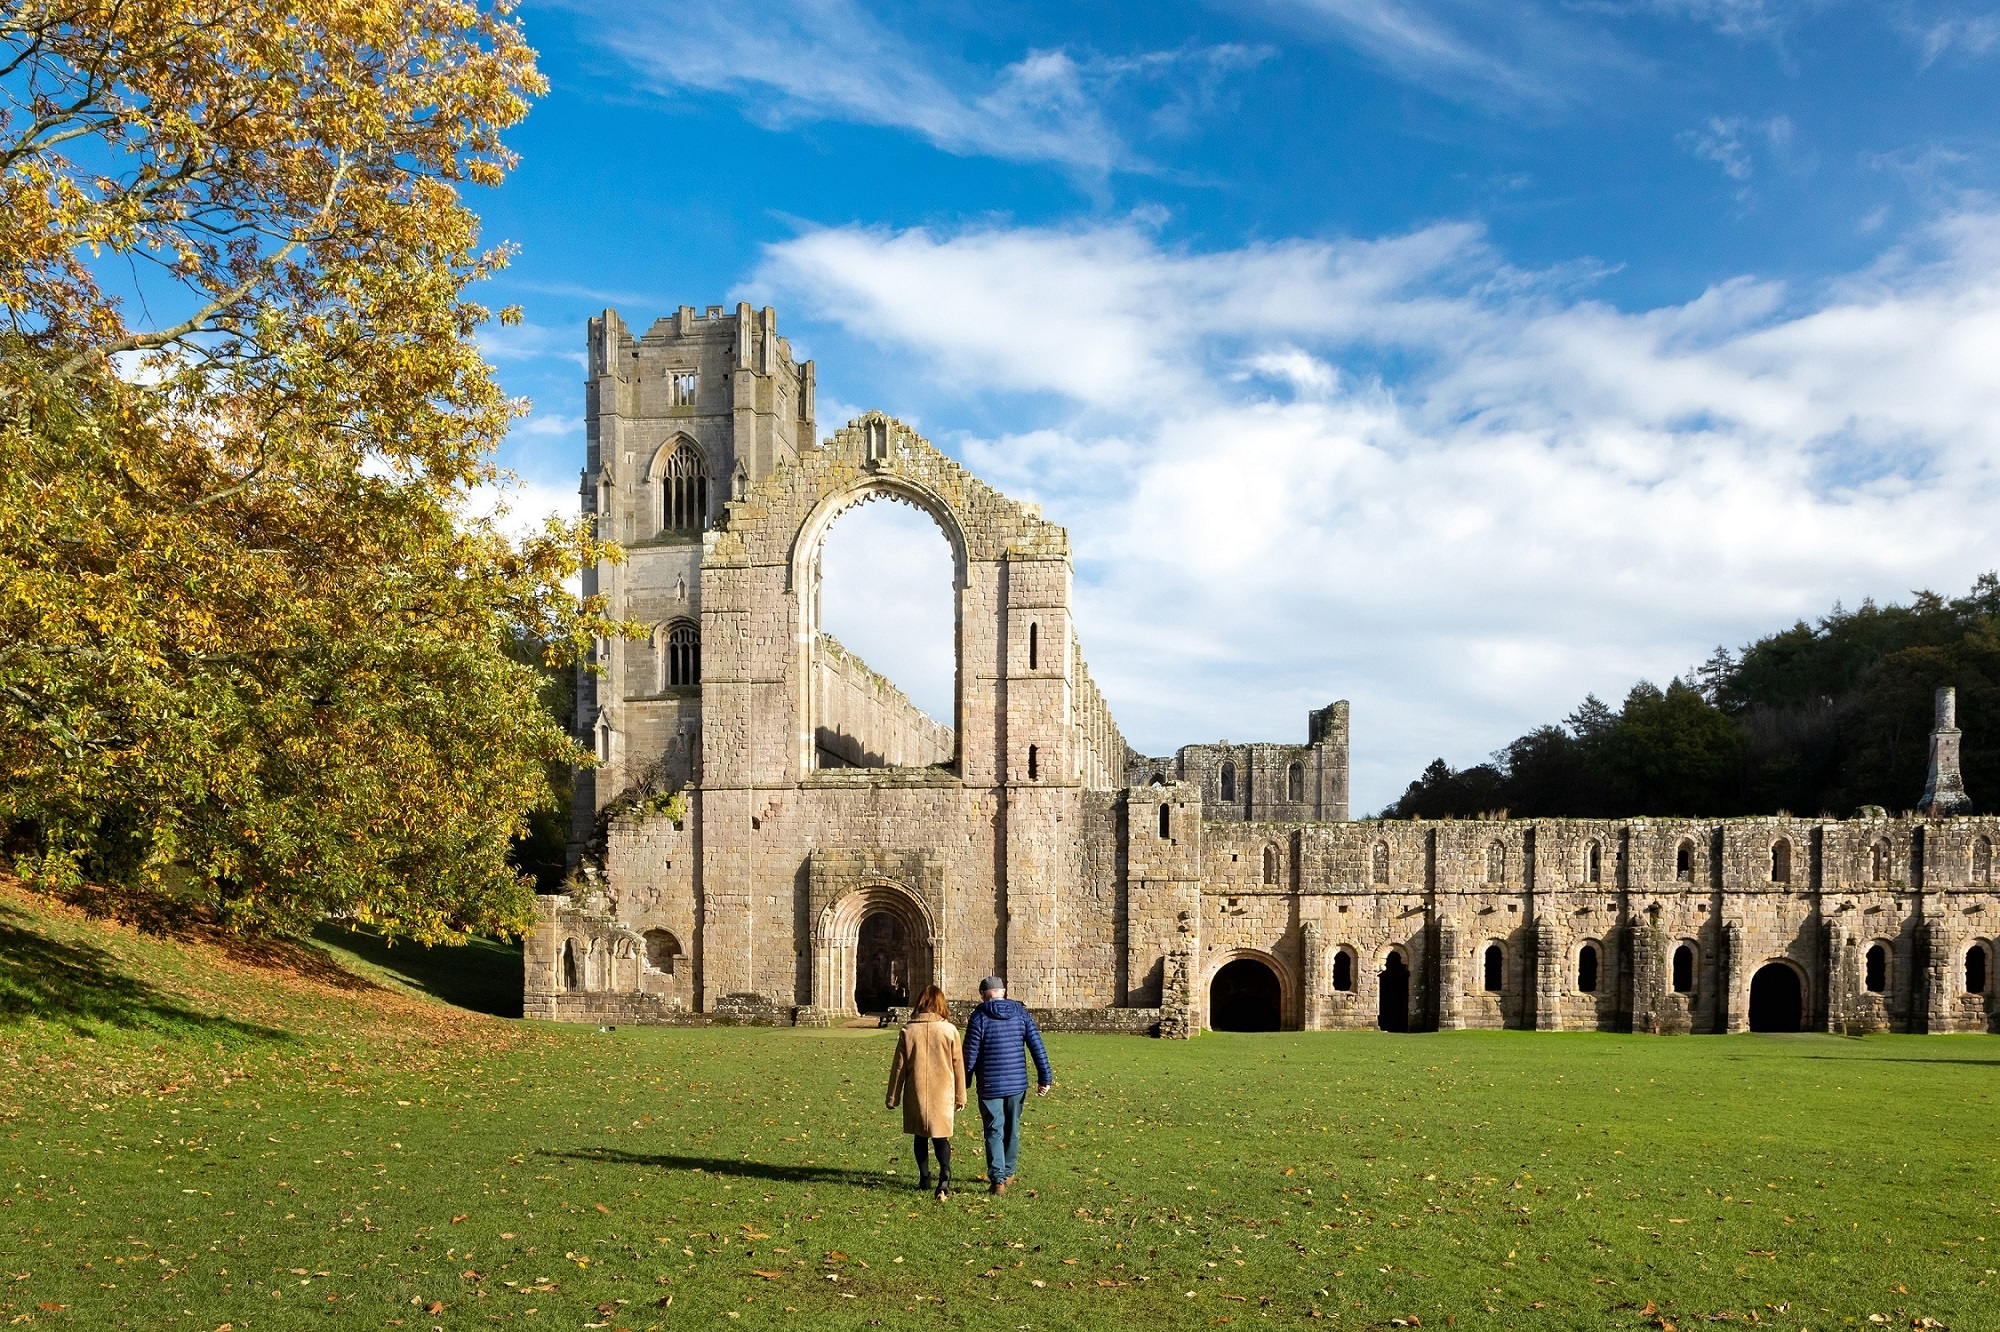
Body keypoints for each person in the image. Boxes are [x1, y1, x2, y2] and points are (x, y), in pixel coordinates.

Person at [961, 975, 1053, 1195]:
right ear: (1003, 992)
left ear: (984, 995)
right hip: (1016, 1083)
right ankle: (1008, 1172)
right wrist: (1045, 1078)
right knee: (1012, 1128)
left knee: (993, 1130)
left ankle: (998, 1179)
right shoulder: (1021, 1014)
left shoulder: (979, 1016)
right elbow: (1036, 1046)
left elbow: (969, 1055)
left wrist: (963, 1083)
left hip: (990, 1084)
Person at [885, 984, 965, 1200]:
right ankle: (945, 1176)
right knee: (940, 1137)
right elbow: (958, 1065)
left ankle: (924, 1177)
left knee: (920, 1136)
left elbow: (899, 1066)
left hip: (916, 1090)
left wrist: (893, 1096)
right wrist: (960, 1096)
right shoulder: (950, 1030)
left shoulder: (909, 1030)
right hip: (942, 1092)